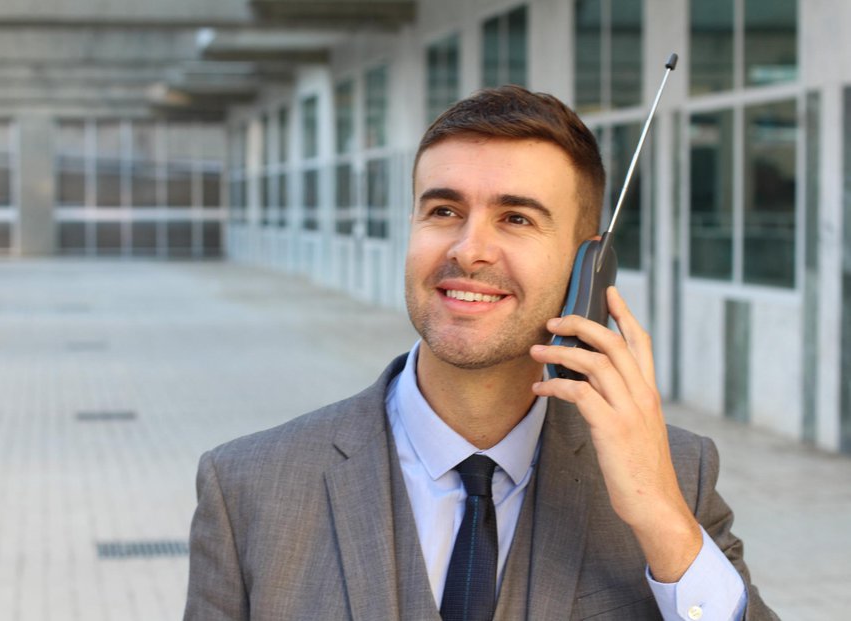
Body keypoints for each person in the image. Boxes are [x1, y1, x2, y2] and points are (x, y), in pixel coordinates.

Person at [183, 86, 778, 620]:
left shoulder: (677, 473)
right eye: (443, 211)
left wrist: (663, 522)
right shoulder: (247, 487)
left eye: (516, 218)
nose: (470, 250)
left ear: (587, 266)